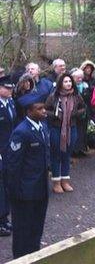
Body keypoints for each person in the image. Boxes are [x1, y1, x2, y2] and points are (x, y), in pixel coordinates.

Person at [4, 97, 49, 258]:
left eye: (44, 108)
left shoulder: (42, 127)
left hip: (40, 189)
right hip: (24, 192)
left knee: (36, 229)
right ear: (29, 111)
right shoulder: (21, 132)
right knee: (23, 232)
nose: (44, 111)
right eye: (39, 108)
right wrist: (15, 193)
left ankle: (34, 257)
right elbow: (13, 165)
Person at [45, 74, 86, 193]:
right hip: (56, 128)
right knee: (56, 155)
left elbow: (83, 108)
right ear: (60, 84)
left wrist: (75, 114)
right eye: (65, 81)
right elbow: (45, 110)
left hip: (71, 128)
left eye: (69, 81)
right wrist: (56, 115)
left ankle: (65, 180)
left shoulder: (76, 96)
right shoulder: (53, 97)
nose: (68, 83)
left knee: (67, 155)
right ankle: (56, 182)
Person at [0, 76, 17, 237]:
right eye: (7, 88)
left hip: (8, 150)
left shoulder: (10, 103)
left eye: (11, 88)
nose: (10, 90)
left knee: (6, 184)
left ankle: (4, 218)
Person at [70, 68, 90, 157]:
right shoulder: (70, 87)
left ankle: (81, 148)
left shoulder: (85, 86)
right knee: (75, 132)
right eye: (77, 78)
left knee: (82, 131)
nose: (79, 79)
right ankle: (74, 150)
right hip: (74, 113)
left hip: (84, 112)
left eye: (81, 77)